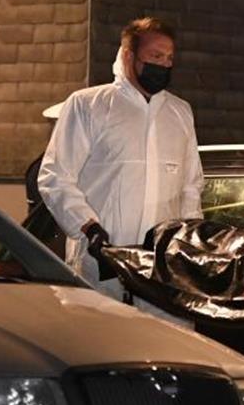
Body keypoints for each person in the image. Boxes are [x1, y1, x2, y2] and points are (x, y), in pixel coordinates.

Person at [38, 16, 204, 319]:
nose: (164, 65)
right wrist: (87, 227)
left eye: (169, 58)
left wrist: (189, 239)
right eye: (156, 56)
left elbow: (191, 185)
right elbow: (55, 176)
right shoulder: (89, 105)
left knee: (167, 351)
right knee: (102, 350)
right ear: (128, 56)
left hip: (162, 271)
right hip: (101, 263)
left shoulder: (179, 113)